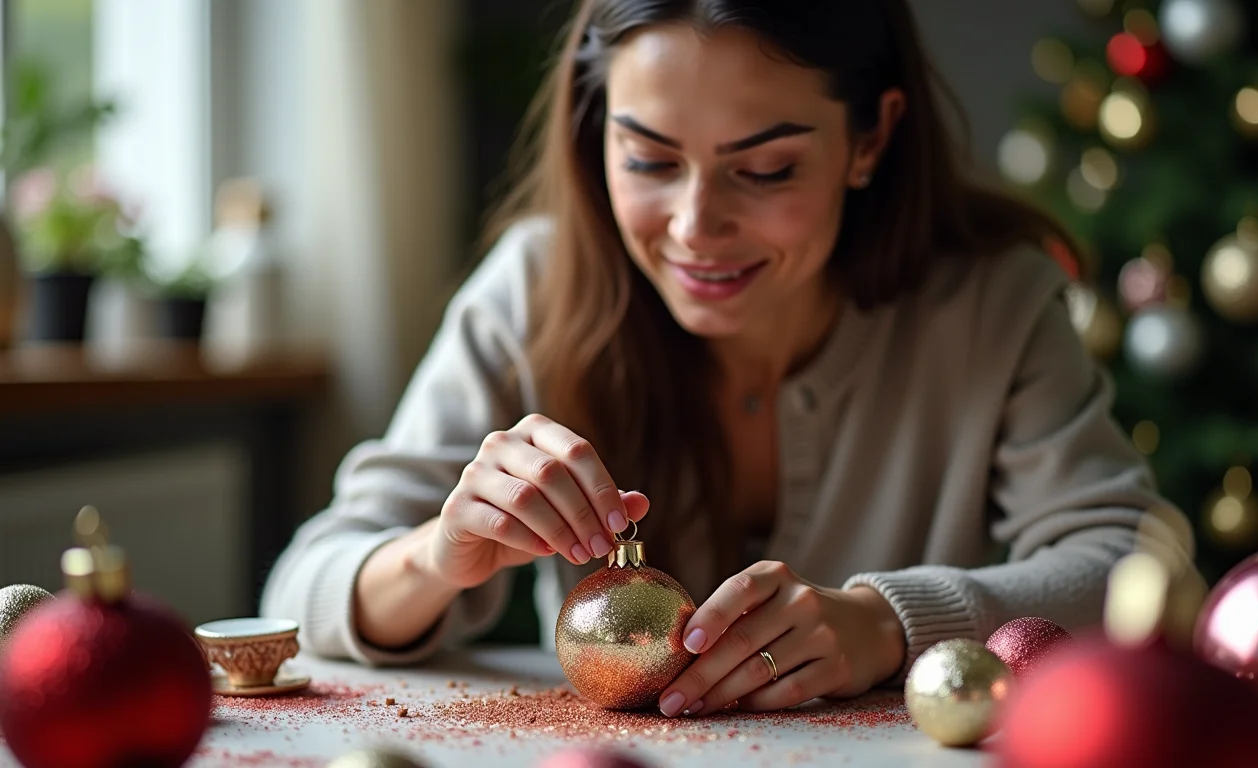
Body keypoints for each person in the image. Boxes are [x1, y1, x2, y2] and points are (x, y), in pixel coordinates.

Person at [263, 0, 1167, 719]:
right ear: (597, 133)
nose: (696, 227)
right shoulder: (530, 288)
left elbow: (1132, 567)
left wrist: (888, 624)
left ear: (871, 139)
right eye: (649, 160)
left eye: (766, 169)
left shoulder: (993, 304)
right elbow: (297, 590)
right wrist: (435, 559)